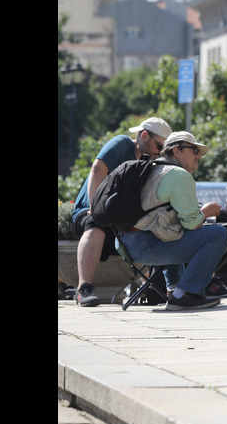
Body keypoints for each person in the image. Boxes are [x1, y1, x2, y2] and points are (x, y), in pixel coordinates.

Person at [119, 131, 227, 310]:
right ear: (176, 151)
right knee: (218, 234)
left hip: (128, 244)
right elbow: (193, 224)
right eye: (194, 150)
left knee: (176, 229)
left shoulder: (153, 168)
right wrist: (207, 211)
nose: (198, 156)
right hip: (147, 246)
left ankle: (174, 289)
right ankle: (184, 294)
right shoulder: (179, 175)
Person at [70, 117, 172, 307]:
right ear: (143, 136)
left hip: (118, 217)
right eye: (159, 146)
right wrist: (94, 207)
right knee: (96, 225)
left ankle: (150, 286)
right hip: (89, 210)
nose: (160, 152)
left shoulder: (149, 161)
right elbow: (97, 169)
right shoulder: (123, 143)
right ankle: (84, 288)